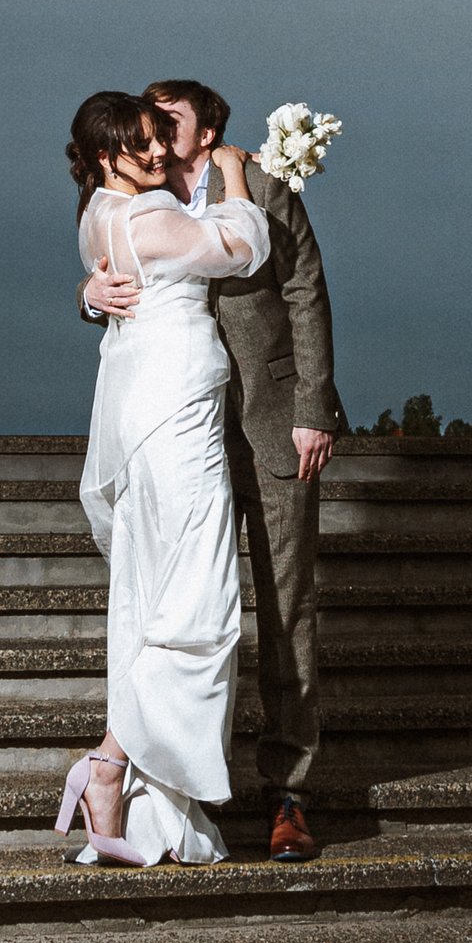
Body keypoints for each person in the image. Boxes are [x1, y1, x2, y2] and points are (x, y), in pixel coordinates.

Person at [81, 78, 343, 863]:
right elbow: (120, 260)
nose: (156, 137)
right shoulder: (137, 193)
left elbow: (304, 286)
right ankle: (188, 787)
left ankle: (288, 795)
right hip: (182, 423)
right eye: (147, 126)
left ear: (209, 129)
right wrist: (90, 293)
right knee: (189, 596)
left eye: (169, 122)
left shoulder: (261, 182)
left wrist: (313, 404)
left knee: (283, 607)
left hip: (268, 420)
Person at [59, 90, 272, 868]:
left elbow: (114, 272)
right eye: (136, 146)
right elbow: (241, 250)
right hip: (174, 409)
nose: (154, 154)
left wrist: (88, 293)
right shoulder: (147, 214)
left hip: (143, 404)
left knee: (156, 592)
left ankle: (136, 789)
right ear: (104, 155)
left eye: (157, 139)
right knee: (200, 600)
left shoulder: (100, 214)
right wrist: (235, 178)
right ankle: (112, 762)